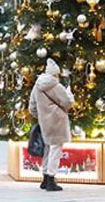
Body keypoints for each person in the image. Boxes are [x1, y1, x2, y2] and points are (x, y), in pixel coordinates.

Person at [29, 58, 75, 192]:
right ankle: (51, 179)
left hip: (44, 122)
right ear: (56, 74)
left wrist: (42, 117)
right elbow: (67, 103)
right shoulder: (56, 86)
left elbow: (32, 106)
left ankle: (44, 178)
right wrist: (70, 95)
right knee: (56, 150)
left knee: (47, 148)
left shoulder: (37, 86)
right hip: (58, 121)